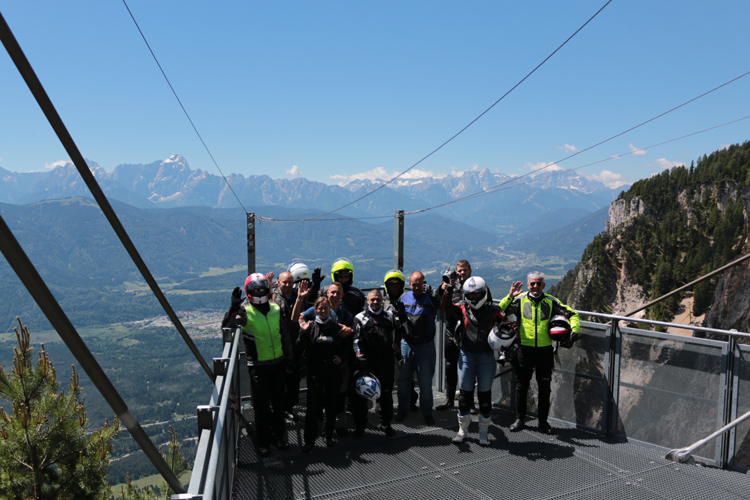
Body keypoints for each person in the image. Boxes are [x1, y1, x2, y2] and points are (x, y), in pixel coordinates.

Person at [499, 271, 580, 434]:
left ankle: (543, 422)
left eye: (539, 283)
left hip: (545, 351)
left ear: (544, 285)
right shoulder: (519, 300)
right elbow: (500, 312)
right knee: (521, 387)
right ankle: (519, 420)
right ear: (528, 285)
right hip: (524, 349)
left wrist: (573, 332)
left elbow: (573, 314)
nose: (535, 286)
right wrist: (509, 296)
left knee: (545, 388)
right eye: (532, 283)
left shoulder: (551, 302)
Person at [222, 273, 292, 457]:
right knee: (261, 407)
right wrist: (234, 307)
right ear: (249, 292)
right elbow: (227, 327)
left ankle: (279, 437)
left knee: (278, 404)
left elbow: (284, 336)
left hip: (278, 363)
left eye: (262, 289)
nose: (260, 292)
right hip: (258, 366)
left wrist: (289, 358)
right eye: (256, 290)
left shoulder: (276, 308)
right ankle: (263, 442)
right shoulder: (244, 312)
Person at [442, 275, 508, 445]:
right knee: (464, 396)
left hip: (486, 357)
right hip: (466, 355)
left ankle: (483, 433)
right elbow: (445, 306)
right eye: (470, 294)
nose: (474, 297)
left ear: (484, 293)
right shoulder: (462, 309)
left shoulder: (493, 311)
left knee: (484, 397)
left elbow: (508, 326)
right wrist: (449, 287)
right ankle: (462, 430)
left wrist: (509, 338)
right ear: (465, 294)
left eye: (477, 294)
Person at [437, 260, 491, 411]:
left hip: (470, 331)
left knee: (470, 366)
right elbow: (438, 301)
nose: (461, 273)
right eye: (459, 271)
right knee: (450, 365)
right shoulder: (450, 284)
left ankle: (470, 403)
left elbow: (488, 304)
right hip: (450, 329)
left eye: (464, 270)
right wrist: (443, 288)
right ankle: (449, 400)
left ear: (470, 270)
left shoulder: (479, 285)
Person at [352, 289, 403, 437]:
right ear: (367, 300)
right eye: (372, 299)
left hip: (386, 362)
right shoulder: (360, 318)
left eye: (378, 300)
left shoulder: (390, 316)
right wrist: (361, 359)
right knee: (362, 396)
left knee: (386, 396)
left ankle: (386, 424)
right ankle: (360, 426)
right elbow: (356, 341)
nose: (375, 302)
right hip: (366, 363)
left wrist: (403, 317)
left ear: (382, 300)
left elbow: (404, 330)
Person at [297, 297, 346, 451]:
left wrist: (342, 357)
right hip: (315, 372)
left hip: (332, 371)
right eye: (320, 308)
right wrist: (303, 332)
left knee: (331, 405)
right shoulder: (310, 327)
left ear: (330, 309)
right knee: (312, 407)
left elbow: (346, 346)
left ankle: (328, 435)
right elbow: (299, 347)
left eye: (326, 308)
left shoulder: (335, 327)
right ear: (315, 310)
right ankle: (309, 440)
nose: (323, 311)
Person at [396, 271, 441, 425]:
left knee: (425, 383)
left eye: (419, 283)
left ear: (424, 283)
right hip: (407, 344)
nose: (416, 287)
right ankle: (402, 410)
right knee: (403, 381)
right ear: (410, 284)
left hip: (425, 345)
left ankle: (427, 412)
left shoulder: (430, 298)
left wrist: (434, 293)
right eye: (413, 284)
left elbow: (441, 305)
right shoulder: (403, 298)